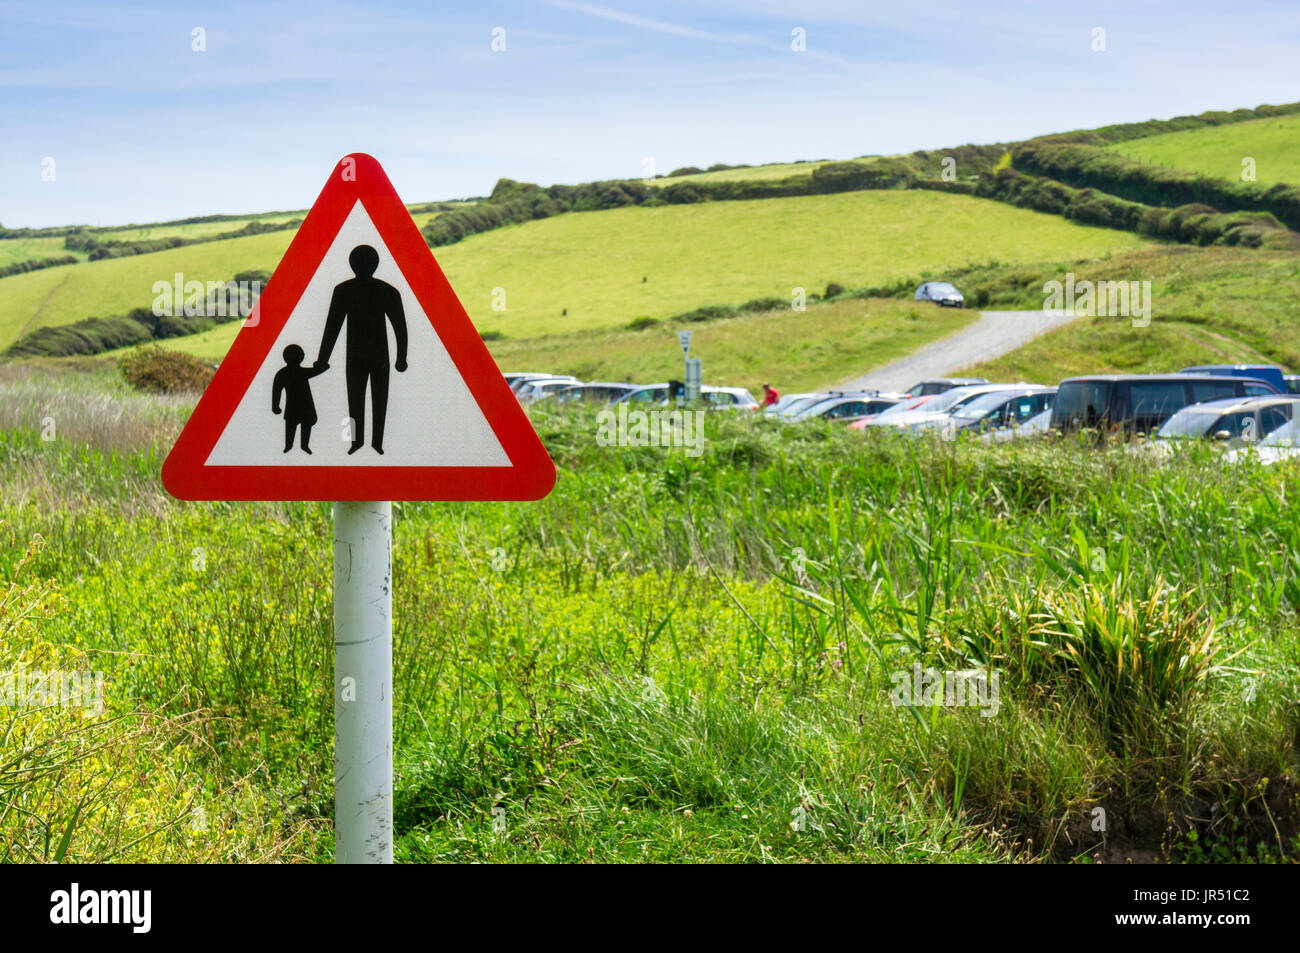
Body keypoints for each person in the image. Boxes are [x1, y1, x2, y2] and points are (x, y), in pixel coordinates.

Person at [315, 244, 408, 455]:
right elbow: (333, 327)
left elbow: (399, 327)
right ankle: (365, 442)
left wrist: (323, 360)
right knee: (370, 399)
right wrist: (401, 358)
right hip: (371, 356)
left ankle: (371, 443)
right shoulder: (384, 290)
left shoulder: (347, 290)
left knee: (362, 399)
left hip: (364, 357)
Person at [272, 344, 328, 453]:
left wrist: (276, 406)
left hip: (303, 407)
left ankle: (303, 446)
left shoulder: (288, 373)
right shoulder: (284, 374)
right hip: (295, 406)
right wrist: (275, 406)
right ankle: (289, 446)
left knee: (303, 425)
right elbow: (276, 391)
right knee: (291, 426)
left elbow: (276, 391)